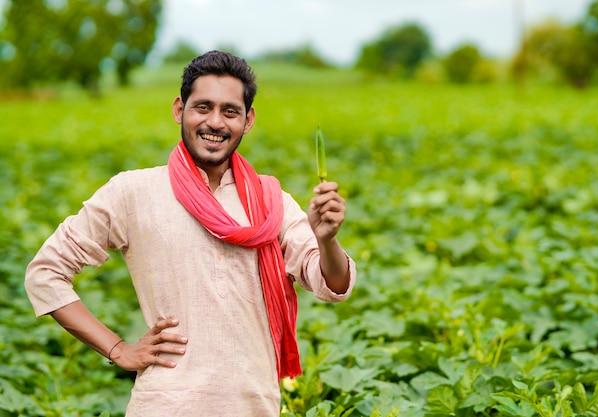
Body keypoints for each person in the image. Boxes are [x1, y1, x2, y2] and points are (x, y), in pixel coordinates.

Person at [24, 50, 356, 416]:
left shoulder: (270, 201)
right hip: (165, 405)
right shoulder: (133, 192)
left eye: (230, 111)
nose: (215, 122)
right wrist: (118, 349)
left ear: (248, 120)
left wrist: (326, 239)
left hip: (253, 406)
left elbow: (331, 284)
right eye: (203, 107)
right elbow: (46, 272)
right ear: (179, 110)